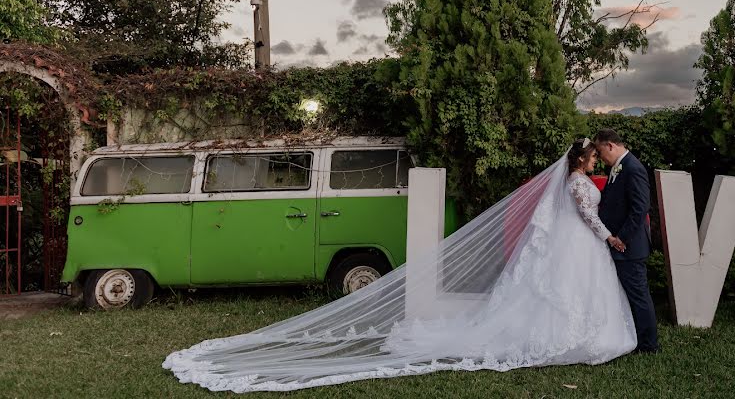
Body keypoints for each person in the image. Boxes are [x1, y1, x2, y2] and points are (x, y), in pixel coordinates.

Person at [164, 138, 638, 393]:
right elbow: (588, 216)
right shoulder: (578, 185)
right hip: (583, 244)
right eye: (594, 154)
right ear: (583, 159)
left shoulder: (574, 180)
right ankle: (568, 337)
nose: (598, 158)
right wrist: (610, 236)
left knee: (556, 292)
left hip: (575, 247)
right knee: (564, 294)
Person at [594, 128, 659, 353]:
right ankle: (636, 339)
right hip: (620, 245)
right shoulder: (618, 168)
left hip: (629, 246)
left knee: (639, 295)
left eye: (601, 152)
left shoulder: (633, 168)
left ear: (610, 145)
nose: (601, 158)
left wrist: (621, 238)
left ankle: (649, 346)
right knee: (631, 294)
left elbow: (640, 209)